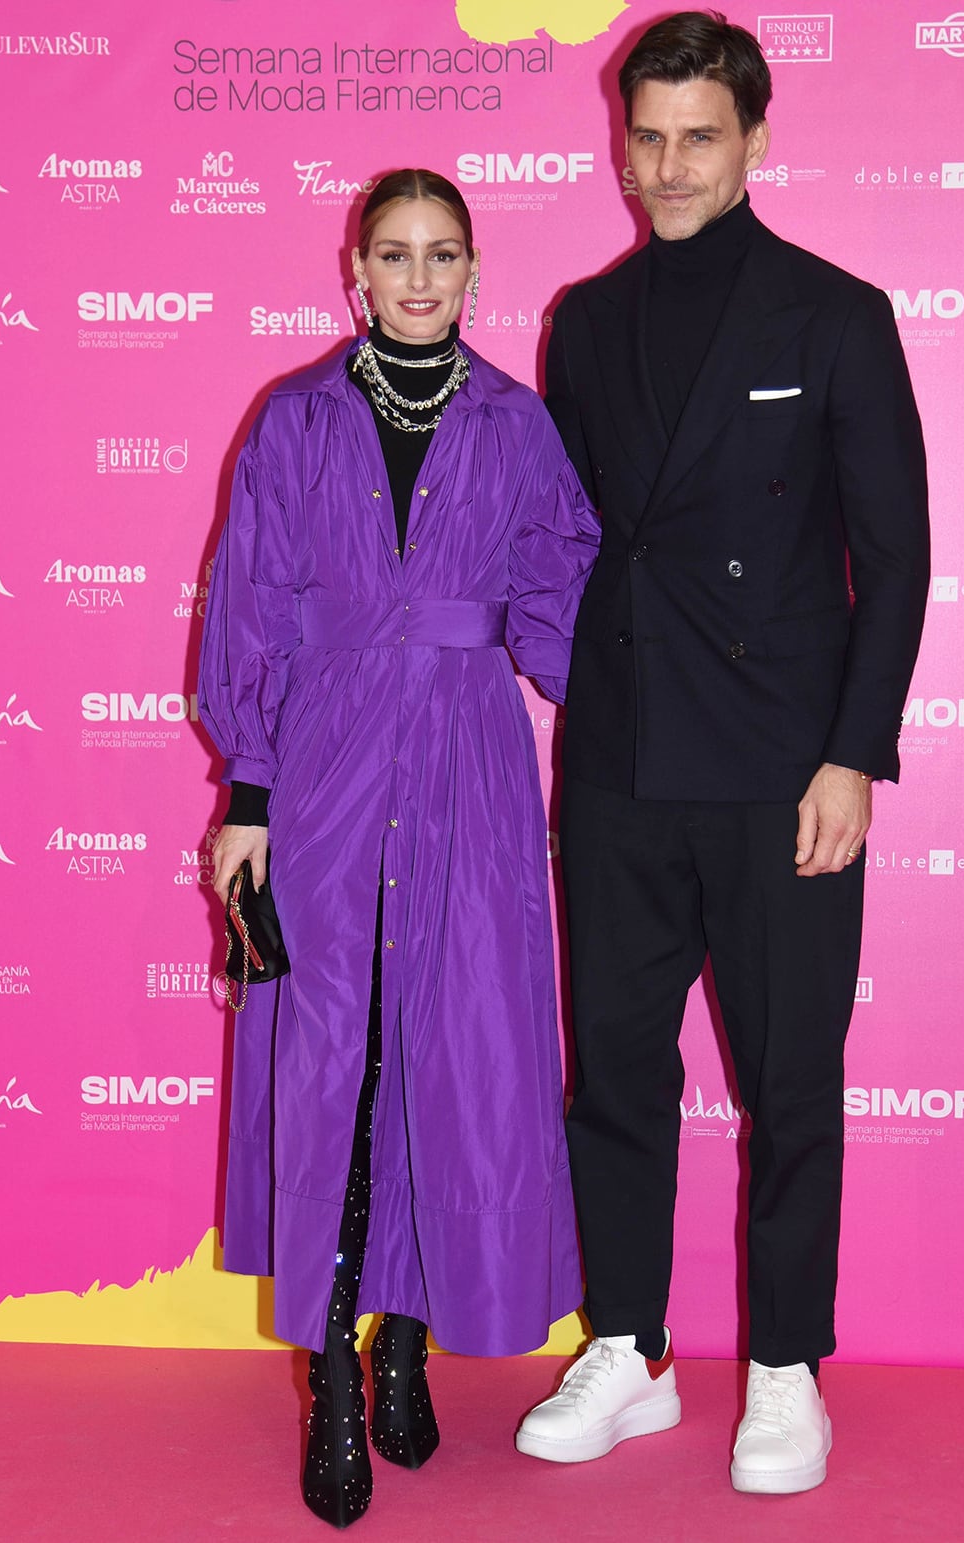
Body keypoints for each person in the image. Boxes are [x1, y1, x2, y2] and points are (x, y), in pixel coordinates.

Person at [515, 12, 929, 1495]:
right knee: (612, 1073)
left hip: (780, 773)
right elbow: (566, 545)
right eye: (648, 136)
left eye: (700, 136)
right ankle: (627, 1347)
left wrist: (854, 757)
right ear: (620, 142)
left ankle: (783, 1369)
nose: (670, 165)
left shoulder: (835, 315)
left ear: (754, 141)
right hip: (622, 757)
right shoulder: (585, 318)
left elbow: (895, 554)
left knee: (790, 1085)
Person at [199, 167, 597, 1529]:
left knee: (447, 1055)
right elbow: (251, 612)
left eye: (442, 255)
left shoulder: (519, 425)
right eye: (393, 254)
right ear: (353, 271)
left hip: (473, 774)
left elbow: (566, 610)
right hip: (318, 774)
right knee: (335, 1067)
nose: (418, 279)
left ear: (474, 271)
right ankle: (331, 1374)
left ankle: (407, 1340)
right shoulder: (296, 421)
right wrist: (245, 803)